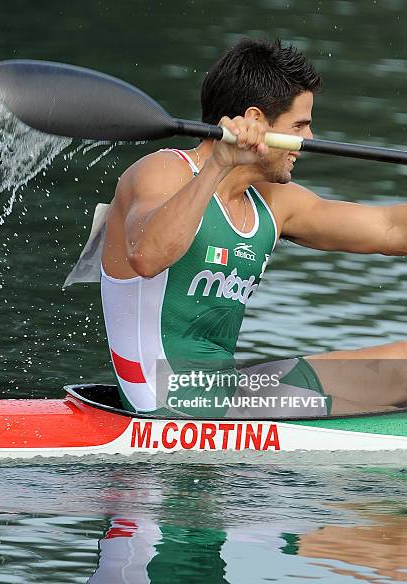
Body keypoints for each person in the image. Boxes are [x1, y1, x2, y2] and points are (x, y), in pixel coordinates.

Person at [99, 38, 407, 418]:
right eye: (300, 125)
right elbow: (146, 256)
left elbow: (390, 228)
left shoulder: (274, 201)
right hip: (168, 399)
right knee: (367, 413)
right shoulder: (164, 171)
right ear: (257, 122)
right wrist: (218, 165)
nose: (308, 140)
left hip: (229, 388)